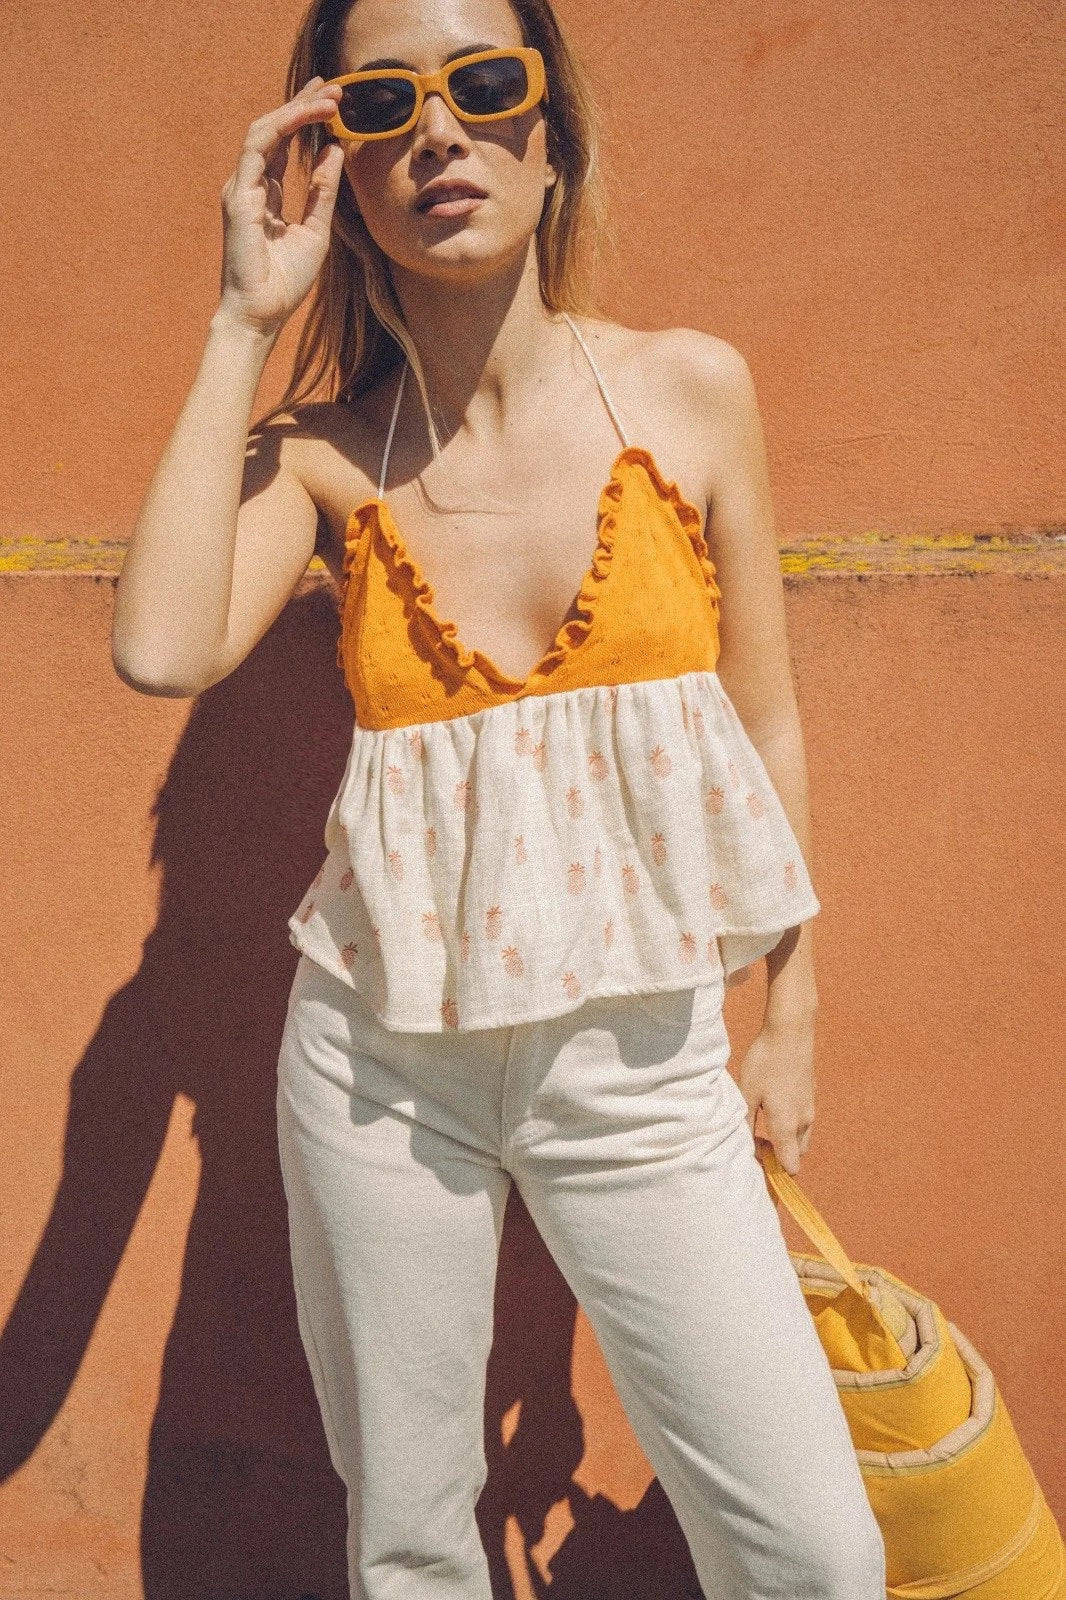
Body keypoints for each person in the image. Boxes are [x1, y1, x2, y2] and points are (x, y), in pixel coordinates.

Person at [111, 0, 888, 1594]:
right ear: (336, 165)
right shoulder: (327, 457)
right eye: (381, 101)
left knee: (811, 1553)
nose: (437, 132)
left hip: (644, 1062)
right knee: (407, 1540)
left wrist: (789, 1012)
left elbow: (768, 719)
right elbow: (160, 647)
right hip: (381, 1068)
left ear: (552, 133)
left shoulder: (687, 391)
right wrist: (239, 323)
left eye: (482, 83)